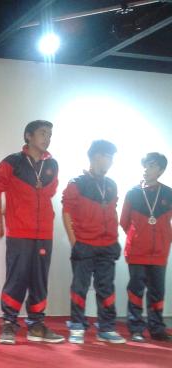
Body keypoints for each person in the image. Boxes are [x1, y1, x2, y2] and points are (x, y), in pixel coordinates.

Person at [0, 120, 64, 345]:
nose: (47, 138)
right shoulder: (12, 162)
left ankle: (36, 325)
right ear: (28, 136)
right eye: (42, 133)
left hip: (44, 233)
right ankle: (9, 323)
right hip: (19, 232)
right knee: (17, 278)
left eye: (49, 134)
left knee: (40, 280)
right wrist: (0, 222)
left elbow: (49, 193)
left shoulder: (52, 165)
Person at [62, 140, 124, 344]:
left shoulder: (111, 184)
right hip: (84, 244)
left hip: (107, 245)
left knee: (106, 288)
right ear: (97, 156)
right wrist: (74, 242)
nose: (111, 161)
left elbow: (113, 211)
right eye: (109, 157)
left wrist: (115, 239)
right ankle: (77, 326)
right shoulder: (77, 183)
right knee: (79, 287)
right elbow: (67, 212)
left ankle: (106, 327)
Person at [121, 152, 172, 342]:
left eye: (151, 166)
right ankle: (136, 329)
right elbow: (124, 221)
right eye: (145, 165)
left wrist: (164, 238)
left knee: (157, 292)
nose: (146, 169)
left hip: (159, 253)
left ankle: (157, 329)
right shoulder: (133, 193)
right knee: (136, 291)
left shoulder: (168, 193)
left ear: (161, 170)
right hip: (137, 251)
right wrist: (138, 236)